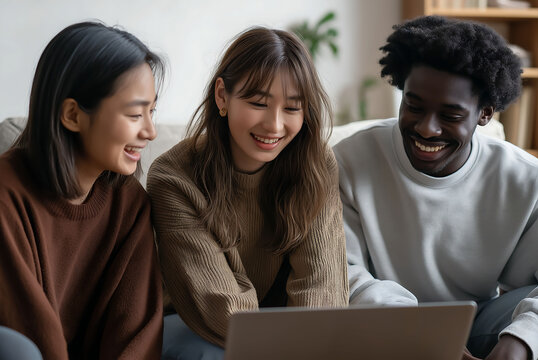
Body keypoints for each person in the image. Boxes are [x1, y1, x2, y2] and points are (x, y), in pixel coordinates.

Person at [333, 15, 538, 360]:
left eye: (450, 116)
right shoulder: (349, 161)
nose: (427, 129)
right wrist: (424, 335)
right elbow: (346, 273)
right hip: (383, 325)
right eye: (413, 106)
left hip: (478, 325)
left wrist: (520, 343)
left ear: (484, 114)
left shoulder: (526, 180)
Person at [147, 26, 348, 359]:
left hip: (286, 332)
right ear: (222, 96)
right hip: (197, 327)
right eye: (258, 103)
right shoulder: (174, 177)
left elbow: (322, 287)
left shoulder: (315, 162)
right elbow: (220, 306)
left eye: (293, 108)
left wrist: (310, 344)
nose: (274, 125)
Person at [0, 21, 165, 359]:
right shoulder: (6, 197)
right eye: (135, 114)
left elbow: (136, 333)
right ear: (73, 115)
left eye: (152, 111)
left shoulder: (130, 203)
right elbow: (29, 334)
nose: (150, 131)